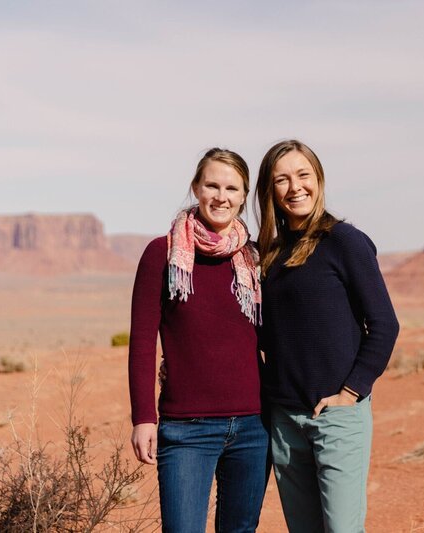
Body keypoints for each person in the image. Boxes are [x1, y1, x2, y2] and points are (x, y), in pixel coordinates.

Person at [255, 139, 399, 532]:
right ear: (269, 190)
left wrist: (350, 392)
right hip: (285, 420)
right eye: (282, 179)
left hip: (337, 416)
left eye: (303, 175)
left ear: (318, 179)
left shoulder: (344, 241)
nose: (294, 187)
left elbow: (385, 325)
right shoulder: (268, 253)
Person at [128, 148, 267, 533]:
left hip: (254, 426)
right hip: (186, 428)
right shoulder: (163, 253)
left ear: (243, 196)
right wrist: (143, 418)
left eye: (231, 188)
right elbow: (142, 341)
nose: (221, 196)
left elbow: (272, 338)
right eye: (212, 185)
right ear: (196, 187)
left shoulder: (253, 259)